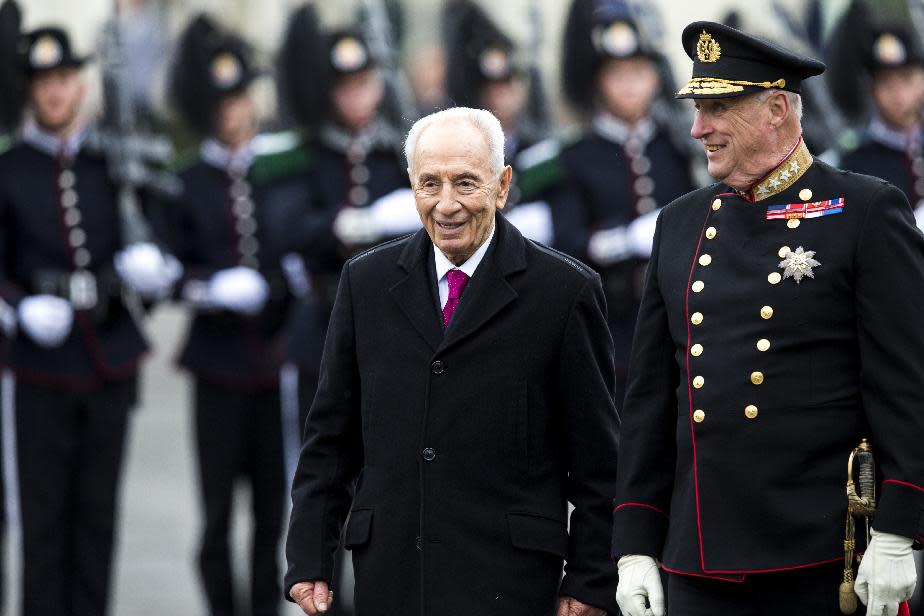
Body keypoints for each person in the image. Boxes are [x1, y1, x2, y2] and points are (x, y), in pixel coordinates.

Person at [612, 20, 924, 616]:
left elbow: (906, 383)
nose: (699, 128)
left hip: (822, 554)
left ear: (778, 108)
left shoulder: (863, 210)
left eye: (718, 109)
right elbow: (652, 399)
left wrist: (898, 527)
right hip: (699, 555)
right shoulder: (679, 223)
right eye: (698, 108)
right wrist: (633, 545)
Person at [284, 107, 620, 616]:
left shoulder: (564, 293)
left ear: (503, 185)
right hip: (393, 579)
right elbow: (330, 440)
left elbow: (600, 464)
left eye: (466, 183)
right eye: (429, 184)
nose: (446, 205)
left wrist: (591, 579)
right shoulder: (366, 284)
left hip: (511, 585)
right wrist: (310, 555)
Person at [0, 26, 179, 616]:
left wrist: (151, 274)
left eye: (63, 80)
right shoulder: (12, 169)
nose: (55, 93)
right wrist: (20, 307)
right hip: (41, 366)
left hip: (108, 356)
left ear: (79, 83)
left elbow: (153, 242)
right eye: (43, 83)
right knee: (44, 523)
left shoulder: (112, 162)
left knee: (97, 522)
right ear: (31, 91)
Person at [167, 15, 311, 616]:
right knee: (217, 516)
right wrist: (208, 286)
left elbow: (298, 250)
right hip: (217, 365)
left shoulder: (278, 170)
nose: (234, 111)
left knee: (272, 516)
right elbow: (168, 270)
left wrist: (279, 281)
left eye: (241, 96)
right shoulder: (187, 181)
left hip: (273, 359)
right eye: (221, 100)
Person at [550, 0, 698, 405]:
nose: (630, 85)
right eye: (617, 74)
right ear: (598, 81)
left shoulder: (681, 147)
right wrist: (625, 241)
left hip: (683, 324)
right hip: (613, 332)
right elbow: (568, 243)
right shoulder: (573, 157)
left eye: (640, 72)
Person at [837, 25, 924, 227]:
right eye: (886, 83)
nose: (898, 94)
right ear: (873, 90)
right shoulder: (856, 162)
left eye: (906, 79)